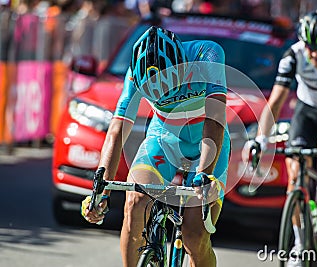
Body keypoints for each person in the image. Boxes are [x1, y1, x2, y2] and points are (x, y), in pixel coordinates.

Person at [81, 26, 230, 267]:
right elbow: (118, 128)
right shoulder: (135, 71)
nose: (162, 96)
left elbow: (215, 119)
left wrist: (204, 173)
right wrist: (101, 190)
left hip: (207, 144)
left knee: (194, 236)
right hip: (164, 141)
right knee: (135, 201)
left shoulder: (207, 54)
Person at [242, 8, 317, 258]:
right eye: (309, 47)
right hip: (307, 111)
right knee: (295, 174)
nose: (314, 53)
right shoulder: (293, 55)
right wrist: (261, 138)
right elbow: (274, 102)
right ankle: (298, 243)